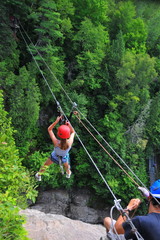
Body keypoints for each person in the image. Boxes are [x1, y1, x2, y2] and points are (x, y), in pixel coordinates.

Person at [35, 116, 75, 181]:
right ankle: (68, 173)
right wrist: (69, 125)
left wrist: (56, 121)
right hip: (64, 158)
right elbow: (73, 132)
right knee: (67, 167)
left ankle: (38, 175)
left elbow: (49, 129)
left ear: (58, 134)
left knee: (45, 166)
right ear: (68, 135)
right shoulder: (69, 142)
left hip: (54, 156)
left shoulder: (56, 142)